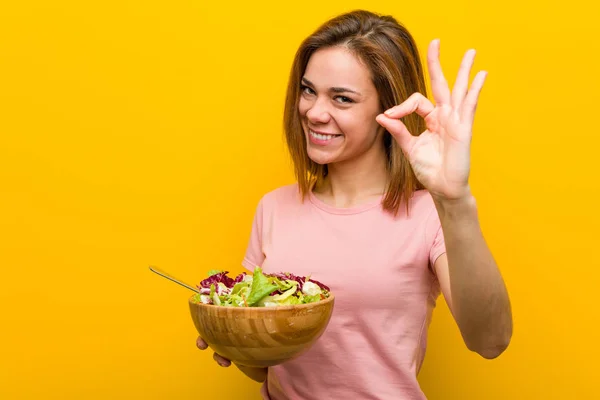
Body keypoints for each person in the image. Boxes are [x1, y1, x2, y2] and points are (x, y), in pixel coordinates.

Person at [196, 9, 512, 400]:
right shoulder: (273, 208)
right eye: (308, 90)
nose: (314, 112)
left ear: (389, 108)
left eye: (342, 98)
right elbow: (267, 368)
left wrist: (455, 201)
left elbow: (490, 340)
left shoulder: (429, 215)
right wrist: (232, 337)